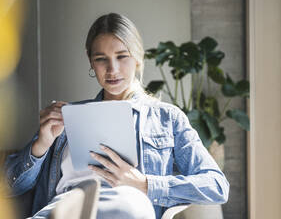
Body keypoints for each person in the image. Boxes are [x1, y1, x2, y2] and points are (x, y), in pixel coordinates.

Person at [5, 13, 229, 219]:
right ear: (91, 61)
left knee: (130, 205)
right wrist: (41, 144)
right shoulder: (67, 117)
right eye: (101, 59)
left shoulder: (167, 119)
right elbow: (9, 187)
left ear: (138, 57)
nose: (112, 69)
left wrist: (145, 184)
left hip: (127, 205)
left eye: (122, 56)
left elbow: (217, 186)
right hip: (63, 205)